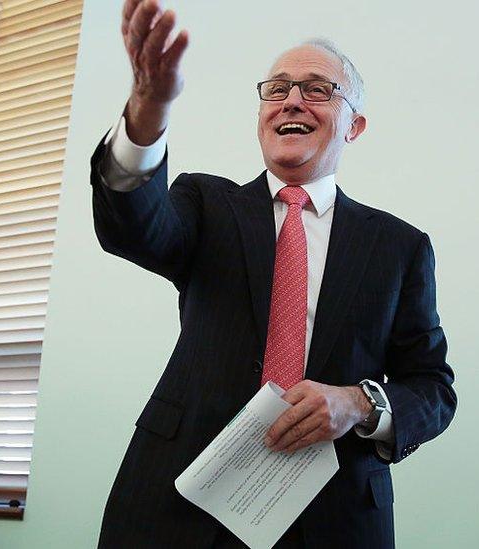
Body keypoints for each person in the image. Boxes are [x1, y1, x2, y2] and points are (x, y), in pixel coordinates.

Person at [91, 1, 457, 546]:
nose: (292, 100)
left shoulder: (399, 246)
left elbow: (431, 388)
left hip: (332, 513)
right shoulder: (206, 203)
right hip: (182, 503)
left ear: (353, 124)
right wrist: (148, 108)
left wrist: (358, 402)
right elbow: (134, 227)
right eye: (277, 88)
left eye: (317, 89)